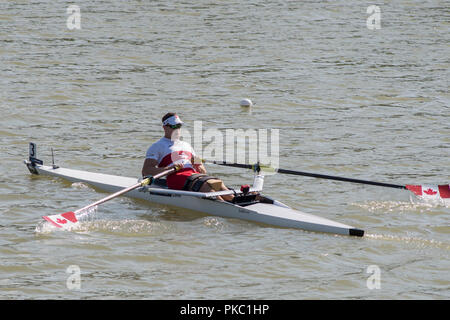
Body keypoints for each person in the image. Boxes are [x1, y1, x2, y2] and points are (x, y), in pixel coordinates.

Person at [142, 113, 234, 201]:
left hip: (194, 176)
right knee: (207, 185)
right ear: (164, 127)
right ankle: (226, 208)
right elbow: (146, 171)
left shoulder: (187, 145)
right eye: (174, 126)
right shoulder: (157, 146)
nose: (177, 129)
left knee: (217, 183)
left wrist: (198, 166)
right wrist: (168, 168)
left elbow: (203, 170)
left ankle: (233, 201)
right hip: (177, 177)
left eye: (179, 126)